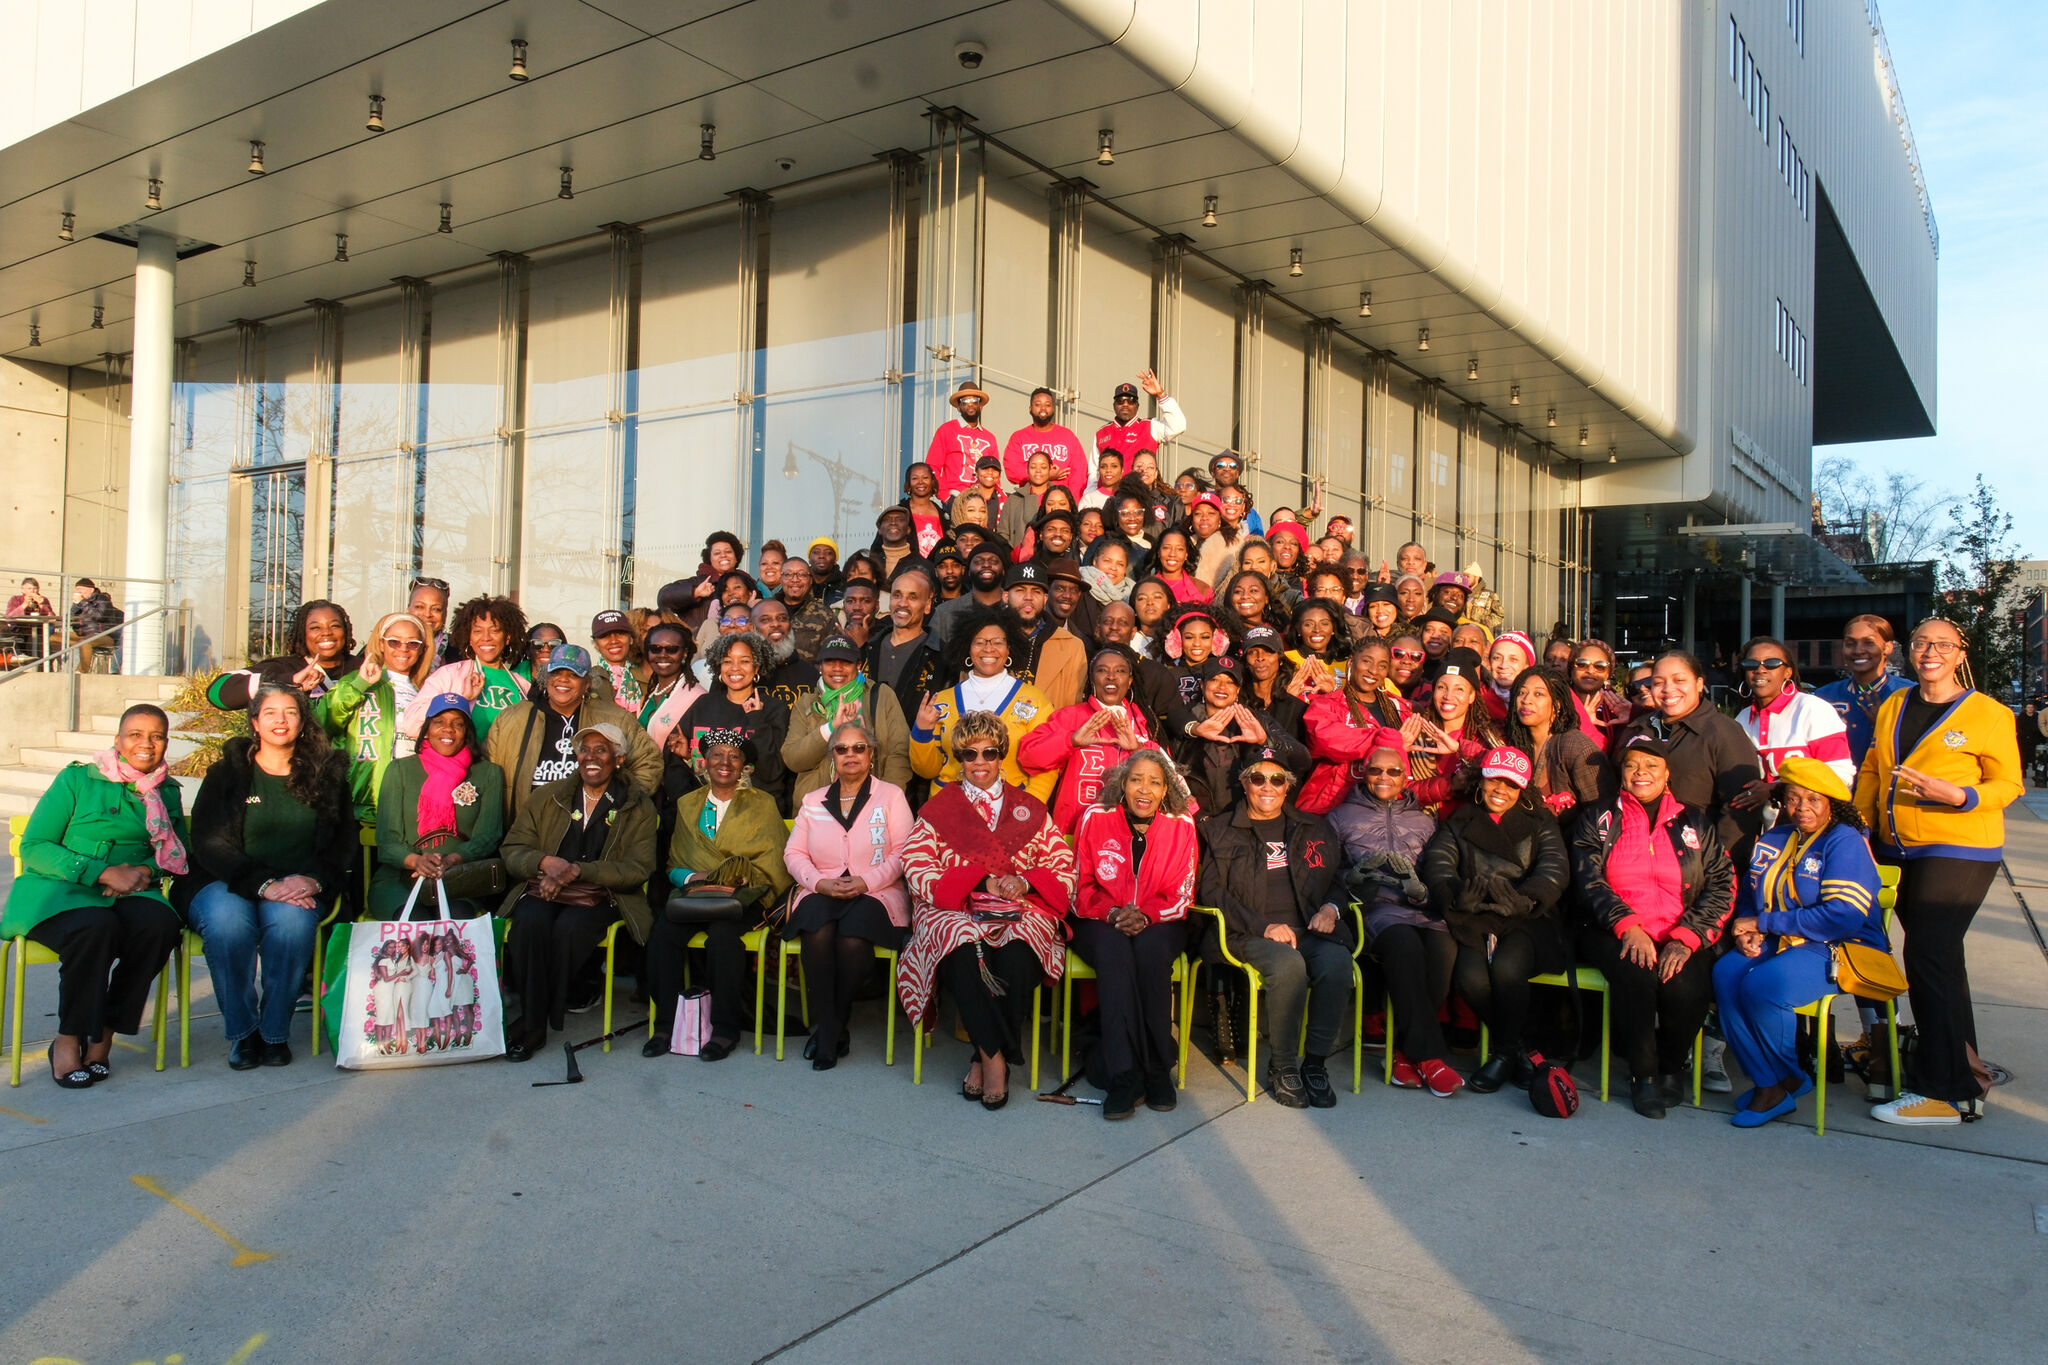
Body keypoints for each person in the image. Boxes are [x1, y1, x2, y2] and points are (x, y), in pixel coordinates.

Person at [1855, 616, 2021, 1126]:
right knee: (1943, 963)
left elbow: (2008, 783)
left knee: (1928, 957)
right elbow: (1872, 769)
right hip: (1896, 847)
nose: (1930, 652)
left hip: (1958, 848)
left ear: (1960, 653)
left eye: (1942, 645)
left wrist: (1961, 795)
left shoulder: (1987, 713)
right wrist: (1859, 824)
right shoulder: (1895, 705)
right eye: (1922, 643)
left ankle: (1945, 1092)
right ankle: (1965, 1073)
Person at [898, 712, 1076, 1110]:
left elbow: (1063, 864)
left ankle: (981, 1055)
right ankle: (998, 1061)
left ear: (1001, 756)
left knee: (1017, 957)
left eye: (989, 753)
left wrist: (1026, 882)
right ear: (959, 759)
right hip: (956, 905)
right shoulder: (938, 809)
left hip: (1020, 903)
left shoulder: (1030, 808)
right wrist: (979, 882)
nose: (979, 762)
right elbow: (916, 864)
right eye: (969, 754)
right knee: (962, 950)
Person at [3, 706, 188, 1089]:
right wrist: (102, 872)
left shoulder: (165, 790)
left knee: (161, 925)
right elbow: (36, 844)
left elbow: (177, 849)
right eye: (135, 734)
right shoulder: (77, 779)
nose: (145, 743)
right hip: (59, 889)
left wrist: (145, 872)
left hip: (132, 888)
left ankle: (103, 1034)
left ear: (166, 744)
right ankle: (69, 1037)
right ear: (118, 740)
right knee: (94, 927)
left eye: (156, 736)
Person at [183, 686, 355, 1069]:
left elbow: (342, 842)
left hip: (298, 885)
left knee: (292, 926)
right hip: (226, 881)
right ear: (255, 722)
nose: (281, 720)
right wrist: (264, 884)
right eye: (271, 712)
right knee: (228, 925)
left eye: (290, 712)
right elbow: (209, 842)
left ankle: (274, 1033)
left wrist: (314, 880)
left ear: (302, 721)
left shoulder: (326, 775)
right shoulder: (228, 772)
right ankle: (243, 1033)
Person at [1714, 755, 1887, 1127]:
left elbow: (1843, 914)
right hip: (1782, 938)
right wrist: (1748, 930)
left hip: (1840, 944)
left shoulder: (1844, 841)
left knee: (1764, 985)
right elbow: (1750, 891)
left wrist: (1764, 921)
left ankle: (1774, 1085)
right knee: (1726, 974)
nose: (1802, 808)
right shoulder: (1778, 836)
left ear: (1831, 803)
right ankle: (1779, 1079)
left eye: (1813, 799)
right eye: (1793, 798)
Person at [1571, 734, 1735, 1118]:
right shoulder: (1599, 817)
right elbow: (1586, 878)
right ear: (1621, 773)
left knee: (1686, 984)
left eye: (1651, 766)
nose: (1640, 773)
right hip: (1613, 928)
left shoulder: (1693, 820)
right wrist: (1626, 925)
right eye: (1631, 765)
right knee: (1637, 973)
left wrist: (1687, 937)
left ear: (1667, 775)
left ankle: (1671, 1066)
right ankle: (1643, 1076)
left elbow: (1722, 883)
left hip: (1681, 928)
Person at [1198, 745, 1351, 1107]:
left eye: (1277, 779)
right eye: (1257, 778)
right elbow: (1211, 892)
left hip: (1308, 930)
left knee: (1336, 963)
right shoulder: (1218, 830)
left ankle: (1314, 1063)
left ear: (1288, 786)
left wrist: (1331, 909)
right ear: (1244, 783)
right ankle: (1283, 1066)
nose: (1267, 786)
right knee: (1287, 963)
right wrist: (1263, 927)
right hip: (1244, 933)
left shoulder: (1314, 826)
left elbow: (1339, 879)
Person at [498, 724, 657, 1062]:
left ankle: (534, 1021)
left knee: (570, 928)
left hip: (604, 895)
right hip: (546, 887)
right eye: (585, 749)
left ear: (619, 758)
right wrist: (543, 861)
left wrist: (578, 870)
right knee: (529, 920)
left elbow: (637, 869)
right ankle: (535, 1016)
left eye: (602, 750)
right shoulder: (549, 796)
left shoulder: (636, 805)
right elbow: (513, 848)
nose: (591, 757)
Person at [1419, 746, 1569, 1094]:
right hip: (1476, 917)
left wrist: (1526, 898)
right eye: (1493, 781)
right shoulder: (1460, 820)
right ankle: (1520, 1050)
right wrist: (1455, 894)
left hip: (1527, 917)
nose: (1500, 791)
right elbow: (1439, 864)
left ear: (1522, 789)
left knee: (1506, 968)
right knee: (1469, 978)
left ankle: (1503, 1054)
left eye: (1511, 785)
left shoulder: (1540, 821)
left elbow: (1554, 868)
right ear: (1481, 781)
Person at [640, 731, 795, 1061]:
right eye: (717, 755)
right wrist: (693, 876)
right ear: (704, 762)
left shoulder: (762, 804)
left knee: (723, 938)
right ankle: (665, 1025)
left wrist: (734, 877)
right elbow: (673, 865)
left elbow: (772, 861)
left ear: (744, 767)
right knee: (664, 934)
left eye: (734, 757)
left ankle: (724, 1030)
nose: (725, 762)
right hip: (695, 895)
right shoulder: (687, 804)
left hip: (743, 899)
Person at [1329, 730, 1462, 1096]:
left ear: (1405, 778)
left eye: (1392, 772)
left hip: (1421, 908)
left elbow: (1439, 867)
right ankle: (1431, 1058)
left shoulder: (1424, 819)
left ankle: (1404, 1053)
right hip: (1374, 910)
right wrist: (1355, 877)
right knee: (1404, 947)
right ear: (1364, 773)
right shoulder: (1340, 816)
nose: (1383, 779)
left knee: (1444, 950)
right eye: (1376, 771)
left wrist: (1427, 890)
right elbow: (1327, 871)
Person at [777, 721, 916, 1068]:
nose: (850, 755)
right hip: (822, 886)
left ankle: (830, 1028)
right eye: (842, 749)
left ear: (871, 754)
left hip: (877, 891)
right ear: (832, 757)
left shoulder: (891, 796)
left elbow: (904, 851)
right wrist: (818, 883)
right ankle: (833, 1028)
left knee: (853, 938)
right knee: (817, 932)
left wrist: (866, 882)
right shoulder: (813, 800)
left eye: (858, 748)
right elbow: (793, 854)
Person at [1071, 750, 1197, 1118]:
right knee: (1114, 955)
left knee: (1151, 953)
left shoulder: (1181, 825)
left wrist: (1146, 916)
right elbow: (1079, 886)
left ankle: (1158, 1069)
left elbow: (1182, 893)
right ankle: (1123, 1073)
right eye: (1136, 779)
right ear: (1122, 784)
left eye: (1155, 782)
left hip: (1161, 921)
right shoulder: (1095, 818)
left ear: (1166, 790)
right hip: (1098, 918)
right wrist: (1112, 913)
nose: (1145, 789)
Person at [485, 644, 662, 820]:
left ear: (588, 683)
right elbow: (488, 772)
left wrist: (618, 804)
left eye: (573, 674)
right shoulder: (511, 718)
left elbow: (649, 763)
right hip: (526, 829)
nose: (563, 680)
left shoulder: (614, 719)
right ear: (545, 678)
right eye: (556, 673)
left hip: (589, 835)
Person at [369, 694, 506, 919]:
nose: (448, 729)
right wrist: (417, 861)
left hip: (459, 877)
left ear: (467, 733)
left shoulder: (487, 773)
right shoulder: (399, 770)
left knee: (455, 919)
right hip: (400, 879)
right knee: (415, 919)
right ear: (427, 728)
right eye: (439, 722)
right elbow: (387, 840)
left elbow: (488, 837)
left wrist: (452, 859)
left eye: (458, 724)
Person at [1619, 650, 1763, 864]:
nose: (1668, 689)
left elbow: (1740, 813)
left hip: (1698, 863)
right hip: (1637, 861)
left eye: (1679, 680)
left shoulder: (1723, 732)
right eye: (1658, 682)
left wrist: (1719, 872)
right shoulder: (1639, 728)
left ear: (1698, 683)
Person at [909, 607, 1057, 802]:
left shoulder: (1036, 701)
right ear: (967, 648)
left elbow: (1047, 766)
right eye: (979, 642)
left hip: (1011, 813)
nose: (988, 648)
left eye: (998, 642)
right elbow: (926, 771)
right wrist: (922, 731)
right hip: (949, 812)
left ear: (1009, 647)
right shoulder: (942, 701)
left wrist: (1026, 810)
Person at [1017, 647, 1159, 829]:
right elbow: (1028, 757)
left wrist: (1137, 750)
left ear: (1130, 681)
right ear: (1092, 679)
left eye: (1120, 671)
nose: (1111, 676)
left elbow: (1167, 777)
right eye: (1102, 670)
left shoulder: (1144, 721)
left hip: (1127, 833)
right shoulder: (1070, 716)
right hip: (1073, 830)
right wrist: (1071, 740)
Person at [319, 611, 434, 824]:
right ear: (381, 644)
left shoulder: (427, 690)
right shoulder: (359, 680)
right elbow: (325, 722)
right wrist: (360, 685)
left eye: (412, 643)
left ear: (421, 649)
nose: (403, 649)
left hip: (411, 807)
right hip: (362, 806)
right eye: (394, 642)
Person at [782, 634, 913, 802]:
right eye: (830, 661)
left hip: (873, 806)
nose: (837, 668)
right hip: (819, 811)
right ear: (820, 666)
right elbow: (793, 760)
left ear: (858, 665)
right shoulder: (806, 703)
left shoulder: (881, 695)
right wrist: (831, 728)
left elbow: (899, 752)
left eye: (846, 662)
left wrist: (886, 800)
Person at [1166, 658, 1308, 813]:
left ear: (1238, 689)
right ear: (1202, 685)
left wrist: (1265, 740)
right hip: (1195, 820)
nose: (1222, 687)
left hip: (1245, 821)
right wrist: (1195, 729)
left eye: (1230, 682)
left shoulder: (1257, 719)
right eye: (1214, 679)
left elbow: (1302, 761)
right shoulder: (1184, 719)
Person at [673, 631, 792, 808]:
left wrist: (756, 719)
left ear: (757, 667)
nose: (735, 668)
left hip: (754, 812)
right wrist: (687, 757)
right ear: (719, 667)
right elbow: (675, 761)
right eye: (727, 661)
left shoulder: (775, 709)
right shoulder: (704, 704)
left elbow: (772, 772)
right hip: (703, 810)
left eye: (744, 661)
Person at [1300, 637, 1414, 814]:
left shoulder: (1400, 708)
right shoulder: (1328, 704)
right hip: (1328, 809)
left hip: (1381, 815)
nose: (1373, 671)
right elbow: (1324, 739)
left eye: (1382, 665)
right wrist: (1388, 740)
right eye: (1367, 661)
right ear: (1352, 662)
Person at [403, 594, 532, 741]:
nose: (486, 637)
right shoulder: (448, 675)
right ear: (469, 637)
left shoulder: (523, 686)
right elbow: (411, 725)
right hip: (463, 763)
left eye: (494, 630)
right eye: (477, 631)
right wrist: (460, 698)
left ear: (507, 637)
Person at [1733, 636, 1854, 788]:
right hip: (1757, 812)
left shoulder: (1814, 710)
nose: (1760, 670)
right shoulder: (1741, 720)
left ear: (1788, 672)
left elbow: (1840, 776)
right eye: (1751, 664)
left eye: (1771, 664)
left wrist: (1774, 789)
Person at [1505, 666, 1613, 830]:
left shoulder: (1576, 747)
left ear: (1557, 705)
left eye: (1538, 694)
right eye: (1521, 692)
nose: (1526, 700)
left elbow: (1603, 814)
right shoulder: (1514, 745)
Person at [206, 600, 358, 709]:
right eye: (315, 628)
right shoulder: (284, 668)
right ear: (302, 633)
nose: (326, 632)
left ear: (345, 630)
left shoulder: (363, 669)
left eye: (335, 626)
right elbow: (217, 693)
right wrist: (289, 681)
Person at [1405, 648, 1498, 814]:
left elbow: (1500, 779)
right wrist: (1449, 784)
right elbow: (1402, 791)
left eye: (1459, 689)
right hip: (1420, 826)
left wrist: (1459, 749)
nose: (1448, 696)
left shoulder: (1488, 737)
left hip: (1470, 827)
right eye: (1441, 687)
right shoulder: (1414, 732)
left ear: (1472, 696)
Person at [1813, 614, 1911, 769]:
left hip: (1888, 787)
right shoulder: (1824, 696)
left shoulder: (1907, 693)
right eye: (1850, 643)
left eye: (1868, 643)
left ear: (1887, 647)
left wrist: (1885, 725)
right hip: (1837, 788)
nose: (1858, 650)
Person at [1004, 562, 1086, 709]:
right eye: (1020, 590)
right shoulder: (983, 640)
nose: (1028, 597)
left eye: (1036, 591)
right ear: (1005, 596)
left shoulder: (1073, 646)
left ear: (1045, 598)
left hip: (1049, 730)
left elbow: (1071, 710)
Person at [634, 622, 706, 755]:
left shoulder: (697, 697)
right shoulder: (648, 696)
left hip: (676, 774)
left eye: (672, 649)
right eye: (655, 648)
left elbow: (702, 753)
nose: (663, 654)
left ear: (684, 653)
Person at [1002, 386, 1087, 498]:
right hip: (1028, 503)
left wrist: (1072, 503)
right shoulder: (1018, 437)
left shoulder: (1067, 436)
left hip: (1060, 504)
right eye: (1038, 404)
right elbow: (1012, 472)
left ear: (1053, 409)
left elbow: (1079, 473)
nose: (1043, 408)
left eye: (1048, 405)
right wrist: (1046, 475)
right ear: (1030, 409)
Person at [1093, 370, 1186, 466]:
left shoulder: (1150, 426)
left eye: (1130, 401)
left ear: (1137, 406)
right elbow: (1094, 472)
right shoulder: (1101, 433)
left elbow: (1179, 426)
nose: (1125, 404)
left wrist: (1161, 394)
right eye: (1120, 401)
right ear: (1114, 405)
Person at [925, 380, 1000, 498]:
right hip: (955, 496)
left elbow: (995, 472)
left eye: (974, 401)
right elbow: (932, 467)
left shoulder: (990, 437)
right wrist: (945, 497)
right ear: (959, 407)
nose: (970, 405)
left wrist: (996, 498)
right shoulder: (946, 430)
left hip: (983, 500)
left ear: (980, 406)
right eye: (965, 401)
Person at [930, 541, 1012, 649]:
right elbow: (932, 658)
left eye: (993, 561)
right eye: (978, 562)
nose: (986, 565)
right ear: (968, 571)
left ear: (1003, 570)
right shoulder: (944, 613)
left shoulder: (1017, 608)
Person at [656, 531, 746, 628]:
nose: (723, 555)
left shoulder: (748, 584)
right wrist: (695, 592)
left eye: (728, 552)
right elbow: (664, 599)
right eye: (717, 553)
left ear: (736, 556)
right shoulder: (699, 583)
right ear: (709, 559)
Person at [1566, 638, 1632, 751]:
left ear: (1608, 674)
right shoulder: (1556, 703)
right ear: (1572, 670)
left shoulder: (1617, 710)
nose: (1590, 671)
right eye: (1582, 664)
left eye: (1600, 666)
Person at [587, 609, 647, 709]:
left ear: (631, 639)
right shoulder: (587, 681)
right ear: (596, 644)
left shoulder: (645, 676)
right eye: (605, 636)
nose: (614, 640)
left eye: (620, 633)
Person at [1148, 529, 1211, 605]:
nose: (1172, 554)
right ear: (1158, 552)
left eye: (1179, 549)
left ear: (1186, 554)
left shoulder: (1202, 589)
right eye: (1166, 548)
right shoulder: (1145, 588)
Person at [900, 463, 949, 559]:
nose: (920, 482)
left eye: (925, 478)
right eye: (915, 478)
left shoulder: (944, 516)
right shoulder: (899, 514)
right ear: (908, 483)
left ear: (932, 481)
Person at [949, 454, 1009, 525]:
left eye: (994, 470)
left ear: (999, 475)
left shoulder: (1009, 500)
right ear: (976, 473)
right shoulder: (963, 498)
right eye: (985, 469)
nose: (990, 472)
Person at [407, 577, 451, 664]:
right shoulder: (392, 645)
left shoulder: (458, 651)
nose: (427, 614)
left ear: (445, 614)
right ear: (408, 610)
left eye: (436, 609)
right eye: (419, 607)